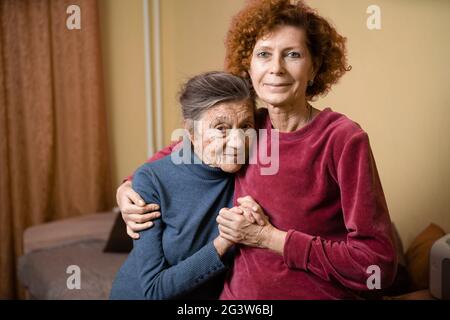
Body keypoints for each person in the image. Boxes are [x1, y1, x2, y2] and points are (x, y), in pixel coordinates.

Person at [117, 0, 397, 299]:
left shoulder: (342, 139)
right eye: (264, 54)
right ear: (248, 68)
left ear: (314, 67)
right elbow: (184, 150)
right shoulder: (249, 128)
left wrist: (269, 238)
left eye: (292, 54)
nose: (276, 68)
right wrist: (127, 189)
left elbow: (376, 265)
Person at [110, 71, 258, 300]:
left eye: (246, 125)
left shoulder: (255, 170)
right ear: (190, 133)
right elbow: (154, 290)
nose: (238, 142)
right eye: (221, 128)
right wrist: (225, 241)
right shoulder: (151, 180)